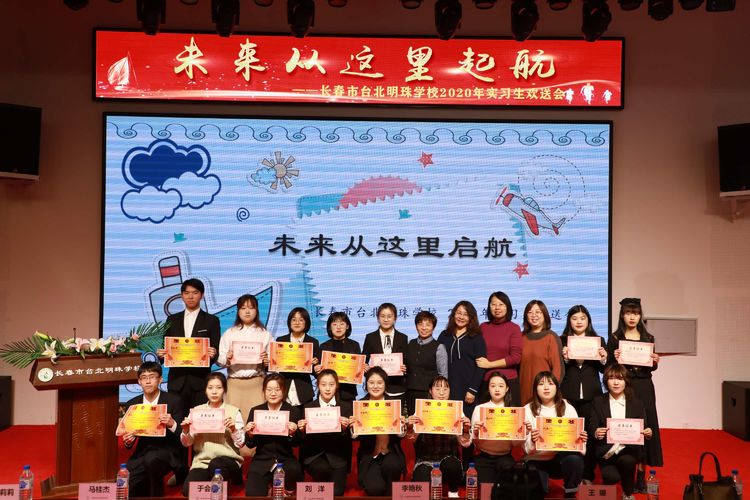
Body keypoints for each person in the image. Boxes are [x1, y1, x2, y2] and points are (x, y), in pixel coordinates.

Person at [606, 297, 663, 492]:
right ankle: (625, 470)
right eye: (628, 313)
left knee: (646, 426)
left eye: (636, 313)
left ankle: (641, 474)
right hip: (625, 386)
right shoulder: (615, 338)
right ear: (622, 315)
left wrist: (655, 361)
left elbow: (651, 367)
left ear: (640, 316)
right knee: (627, 426)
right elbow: (608, 369)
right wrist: (614, 359)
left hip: (645, 386)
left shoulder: (649, 338)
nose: (632, 317)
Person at [589, 364, 653, 500]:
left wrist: (648, 432)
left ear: (626, 381)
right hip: (606, 450)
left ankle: (628, 494)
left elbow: (643, 427)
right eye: (612, 378)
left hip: (628, 449)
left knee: (628, 461)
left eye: (620, 378)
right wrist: (596, 432)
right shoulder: (598, 401)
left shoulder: (636, 403)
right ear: (606, 381)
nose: (616, 382)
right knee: (611, 477)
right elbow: (592, 426)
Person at [122, 362, 185, 497]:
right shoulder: (132, 405)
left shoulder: (174, 401)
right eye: (144, 378)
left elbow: (183, 436)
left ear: (160, 379)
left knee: (152, 460)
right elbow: (128, 443)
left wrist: (172, 424)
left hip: (167, 451)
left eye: (152, 377)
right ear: (139, 381)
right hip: (142, 453)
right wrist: (128, 441)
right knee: (126, 487)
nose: (148, 381)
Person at [560, 304, 607, 482]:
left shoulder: (598, 340)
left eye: (582, 318)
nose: (579, 322)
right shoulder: (562, 340)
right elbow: (559, 370)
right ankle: (571, 474)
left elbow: (604, 370)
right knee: (569, 434)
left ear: (588, 320)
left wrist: (603, 359)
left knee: (589, 435)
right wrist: (565, 359)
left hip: (592, 395)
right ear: (569, 321)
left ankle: (587, 474)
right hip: (568, 395)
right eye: (574, 318)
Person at [159, 278, 221, 411]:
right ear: (182, 296)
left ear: (202, 295)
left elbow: (216, 350)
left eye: (195, 292)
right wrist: (161, 354)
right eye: (186, 293)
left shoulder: (211, 320)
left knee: (199, 420)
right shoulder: (172, 320)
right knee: (176, 419)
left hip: (200, 381)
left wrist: (213, 353)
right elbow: (165, 346)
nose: (190, 296)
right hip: (176, 381)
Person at [179, 373, 244, 496]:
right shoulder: (196, 411)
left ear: (224, 390)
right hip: (202, 462)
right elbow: (187, 443)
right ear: (205, 390)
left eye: (219, 388)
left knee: (216, 464)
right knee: (188, 491)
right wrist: (186, 431)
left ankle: (231, 479)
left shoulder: (233, 411)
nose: (214, 392)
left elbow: (240, 444)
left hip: (228, 461)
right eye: (210, 388)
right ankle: (218, 484)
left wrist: (233, 429)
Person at [523, 371, 586, 499]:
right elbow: (526, 448)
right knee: (539, 493)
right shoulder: (527, 409)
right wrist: (533, 441)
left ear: (557, 387)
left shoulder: (567, 408)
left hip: (560, 459)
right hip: (536, 459)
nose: (546, 388)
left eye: (550, 384)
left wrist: (580, 440)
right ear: (535, 388)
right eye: (541, 384)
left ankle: (570, 493)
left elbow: (580, 448)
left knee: (574, 459)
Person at [408, 376, 469, 498]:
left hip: (448, 459)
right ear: (430, 391)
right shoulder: (421, 409)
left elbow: (465, 443)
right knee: (421, 476)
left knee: (452, 465)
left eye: (445, 389)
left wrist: (466, 430)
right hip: (425, 460)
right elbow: (412, 439)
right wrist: (410, 427)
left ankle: (453, 493)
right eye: (437, 389)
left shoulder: (456, 410)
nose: (442, 393)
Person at [243, 374, 303, 496]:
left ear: (283, 391)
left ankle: (280, 488)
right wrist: (250, 434)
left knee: (294, 471)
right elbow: (250, 444)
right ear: (264, 391)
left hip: (286, 459)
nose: (273, 393)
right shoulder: (256, 411)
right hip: (262, 460)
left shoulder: (293, 411)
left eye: (277, 389)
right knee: (252, 493)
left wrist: (293, 433)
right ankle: (268, 486)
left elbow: (297, 443)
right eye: (269, 390)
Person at [297, 369, 354, 496]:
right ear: (317, 385)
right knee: (321, 470)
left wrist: (346, 429)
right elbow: (302, 439)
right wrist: (302, 430)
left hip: (338, 457)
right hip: (314, 456)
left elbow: (351, 438)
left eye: (331, 384)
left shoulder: (346, 407)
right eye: (323, 384)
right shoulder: (308, 407)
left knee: (337, 492)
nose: (327, 389)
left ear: (337, 385)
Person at [216, 294, 272, 421]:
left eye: (251, 308)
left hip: (257, 383)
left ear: (256, 311)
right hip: (234, 384)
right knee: (232, 422)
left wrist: (267, 360)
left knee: (257, 422)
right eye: (243, 308)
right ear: (238, 311)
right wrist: (227, 358)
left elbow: (274, 362)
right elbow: (219, 360)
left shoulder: (265, 334)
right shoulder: (230, 333)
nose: (247, 311)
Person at [352, 366, 407, 496]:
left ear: (385, 384)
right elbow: (355, 437)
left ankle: (391, 492)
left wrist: (401, 427)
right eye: (371, 383)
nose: (375, 386)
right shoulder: (361, 405)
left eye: (379, 383)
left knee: (392, 466)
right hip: (370, 455)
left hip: (390, 453)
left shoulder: (394, 404)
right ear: (366, 385)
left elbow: (400, 435)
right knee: (374, 489)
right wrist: (354, 429)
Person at [461, 372, 518, 485]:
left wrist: (521, 432)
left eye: (501, 386)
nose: (497, 389)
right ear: (488, 388)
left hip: (505, 457)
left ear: (507, 389)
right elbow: (473, 442)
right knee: (484, 489)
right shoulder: (480, 409)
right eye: (493, 386)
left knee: (506, 488)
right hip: (483, 457)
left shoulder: (514, 412)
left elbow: (516, 444)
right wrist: (476, 432)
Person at [437, 300, 487, 419]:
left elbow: (481, 367)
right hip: (446, 389)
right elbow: (437, 360)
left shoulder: (476, 338)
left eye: (465, 314)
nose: (461, 317)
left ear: (471, 318)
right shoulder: (444, 335)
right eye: (459, 313)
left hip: (467, 390)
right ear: (453, 314)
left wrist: (473, 390)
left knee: (465, 423)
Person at [477, 291, 522, 406]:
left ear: (507, 307)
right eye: (493, 304)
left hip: (508, 382)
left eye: (501, 304)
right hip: (487, 382)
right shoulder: (483, 327)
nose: (497, 308)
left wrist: (490, 365)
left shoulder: (514, 328)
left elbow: (515, 358)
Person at [518, 300, 563, 405]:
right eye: (530, 312)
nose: (534, 315)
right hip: (523, 390)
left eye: (538, 312)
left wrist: (550, 390)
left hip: (545, 393)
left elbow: (558, 369)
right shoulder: (520, 337)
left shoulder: (551, 337)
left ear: (545, 315)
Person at [405, 310, 448, 415]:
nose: (424, 328)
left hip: (428, 393)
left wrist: (440, 394)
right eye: (420, 324)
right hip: (410, 391)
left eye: (428, 325)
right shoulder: (410, 343)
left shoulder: (439, 347)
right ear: (416, 326)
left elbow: (443, 375)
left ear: (433, 327)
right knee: (412, 421)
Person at [275, 307, 320, 409]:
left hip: (304, 390)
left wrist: (315, 366)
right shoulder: (281, 340)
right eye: (294, 320)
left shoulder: (313, 342)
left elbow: (316, 373)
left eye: (301, 320)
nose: (297, 323)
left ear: (306, 323)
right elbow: (275, 365)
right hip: (284, 388)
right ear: (289, 322)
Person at [362, 303, 408, 402]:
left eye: (389, 316)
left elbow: (407, 361)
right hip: (376, 389)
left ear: (395, 318)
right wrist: (365, 368)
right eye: (382, 316)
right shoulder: (370, 337)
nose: (386, 319)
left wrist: (405, 368)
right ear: (378, 318)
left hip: (397, 388)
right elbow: (363, 360)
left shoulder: (403, 338)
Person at [317, 312, 362, 402]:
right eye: (334, 324)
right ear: (330, 327)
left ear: (347, 326)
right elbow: (319, 373)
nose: (338, 327)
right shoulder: (324, 347)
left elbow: (358, 371)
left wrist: (361, 369)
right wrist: (317, 369)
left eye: (342, 324)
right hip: (327, 393)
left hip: (348, 393)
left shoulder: (354, 345)